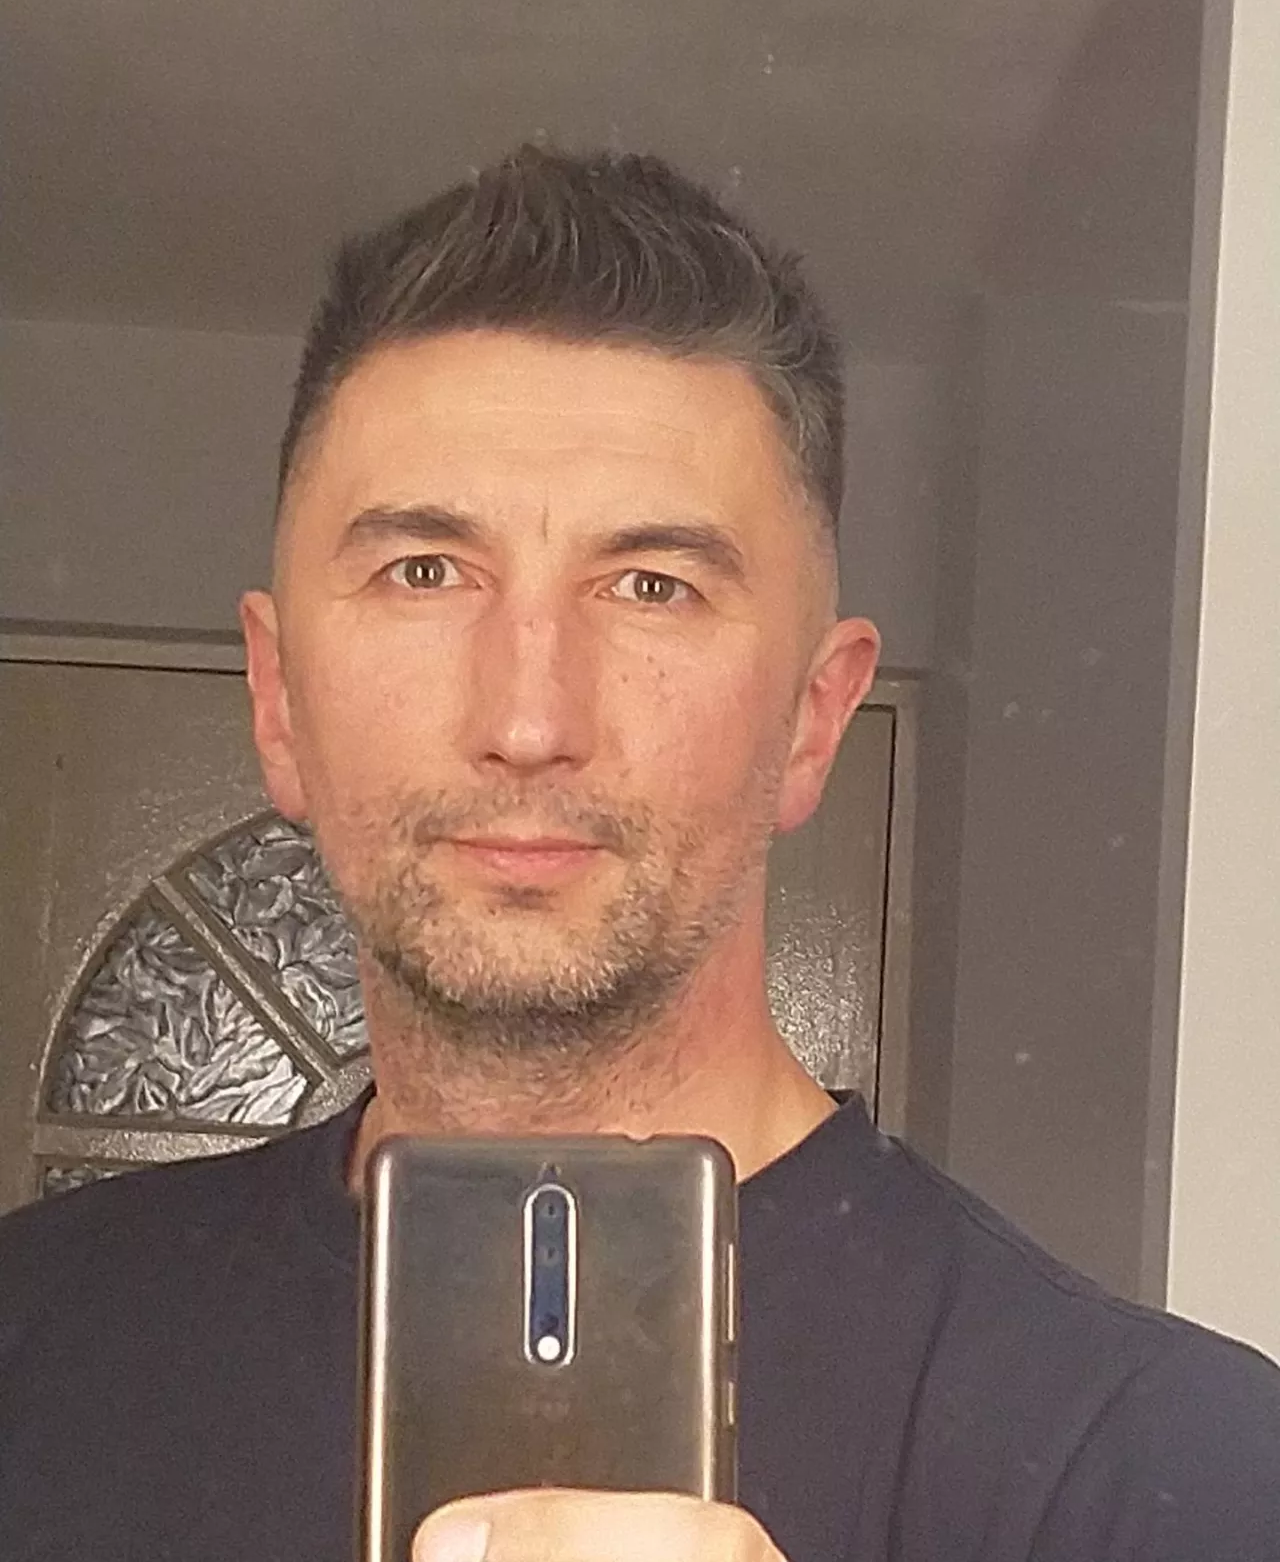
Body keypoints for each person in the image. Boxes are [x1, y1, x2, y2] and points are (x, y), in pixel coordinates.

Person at [1, 146, 1278, 1562]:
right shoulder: (29, 1356)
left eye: (651, 586)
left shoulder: (1174, 1474)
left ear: (813, 719)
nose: (529, 720)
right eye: (425, 572)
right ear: (278, 697)